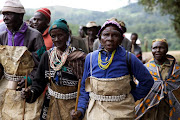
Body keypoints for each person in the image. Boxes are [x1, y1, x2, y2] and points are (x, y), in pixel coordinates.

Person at [71, 20, 154, 120]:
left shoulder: (129, 58)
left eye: (115, 35)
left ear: (120, 40)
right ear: (100, 38)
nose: (110, 39)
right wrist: (80, 109)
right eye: (106, 35)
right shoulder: (91, 58)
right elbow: (84, 88)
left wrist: (132, 97)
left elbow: (147, 81)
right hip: (95, 111)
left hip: (122, 111)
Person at [21, 18, 87, 120]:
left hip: (73, 106)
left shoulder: (78, 57)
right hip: (51, 103)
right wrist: (31, 93)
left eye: (60, 35)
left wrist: (80, 109)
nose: (57, 39)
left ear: (67, 35)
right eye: (53, 36)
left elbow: (85, 85)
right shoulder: (47, 56)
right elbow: (39, 82)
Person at [0, 0, 46, 119]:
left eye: (9, 14)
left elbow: (42, 66)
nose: (5, 18)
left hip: (28, 87)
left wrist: (29, 79)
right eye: (3, 14)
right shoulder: (2, 36)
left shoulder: (35, 36)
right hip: (6, 86)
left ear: (20, 16)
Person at [135, 39, 180, 120]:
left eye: (161, 48)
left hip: (169, 108)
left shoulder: (176, 70)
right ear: (151, 49)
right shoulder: (145, 69)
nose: (158, 50)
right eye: (155, 48)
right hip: (149, 108)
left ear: (166, 49)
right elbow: (139, 88)